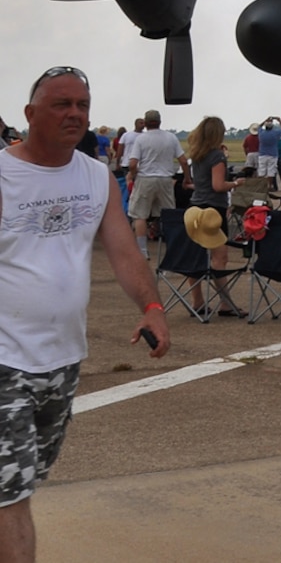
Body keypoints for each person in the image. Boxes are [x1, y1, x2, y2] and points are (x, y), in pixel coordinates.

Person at [0, 66, 170, 559]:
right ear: (30, 114)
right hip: (5, 359)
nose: (74, 113)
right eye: (61, 104)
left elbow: (122, 250)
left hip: (63, 359)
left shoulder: (96, 176)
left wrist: (152, 307)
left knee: (24, 481)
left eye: (82, 105)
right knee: (11, 495)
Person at [182, 115, 245, 317]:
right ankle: (225, 303)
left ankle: (198, 301)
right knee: (220, 258)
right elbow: (218, 186)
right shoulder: (217, 156)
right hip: (212, 211)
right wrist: (236, 184)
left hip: (194, 208)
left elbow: (199, 183)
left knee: (196, 257)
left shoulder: (197, 155)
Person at [121, 109, 180, 262]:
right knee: (168, 215)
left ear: (146, 123)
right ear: (160, 122)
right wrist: (186, 177)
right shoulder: (171, 137)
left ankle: (142, 250)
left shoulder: (141, 139)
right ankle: (173, 248)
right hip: (165, 178)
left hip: (145, 178)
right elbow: (183, 160)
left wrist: (132, 174)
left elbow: (133, 163)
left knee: (139, 214)